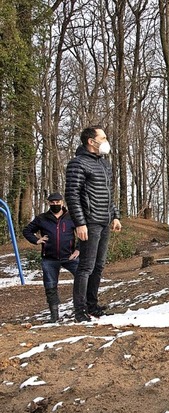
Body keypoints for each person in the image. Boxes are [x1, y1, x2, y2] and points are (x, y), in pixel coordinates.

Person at [65, 125, 121, 322]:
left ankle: (92, 305)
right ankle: (80, 311)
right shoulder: (77, 164)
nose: (106, 141)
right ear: (91, 141)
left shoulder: (105, 164)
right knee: (86, 267)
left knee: (98, 266)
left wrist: (115, 215)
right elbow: (72, 196)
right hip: (89, 222)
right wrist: (80, 223)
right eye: (103, 138)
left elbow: (109, 193)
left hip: (105, 220)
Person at [22, 192, 80, 322]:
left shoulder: (71, 217)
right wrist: (36, 240)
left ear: (62, 202)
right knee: (50, 286)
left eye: (57, 202)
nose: (55, 204)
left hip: (70, 257)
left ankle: (82, 309)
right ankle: (54, 316)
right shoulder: (42, 218)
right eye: (52, 202)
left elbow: (83, 233)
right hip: (49, 259)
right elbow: (27, 230)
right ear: (49, 203)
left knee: (83, 278)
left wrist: (78, 250)